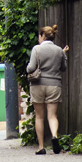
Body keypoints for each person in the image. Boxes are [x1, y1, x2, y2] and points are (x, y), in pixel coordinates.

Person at [26, 25, 69, 155]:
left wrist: (28, 67)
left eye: (39, 36)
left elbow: (31, 68)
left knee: (39, 116)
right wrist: (64, 54)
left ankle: (41, 147)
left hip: (38, 85)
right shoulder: (58, 50)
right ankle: (55, 136)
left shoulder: (37, 49)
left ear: (42, 36)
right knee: (52, 116)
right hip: (54, 85)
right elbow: (63, 68)